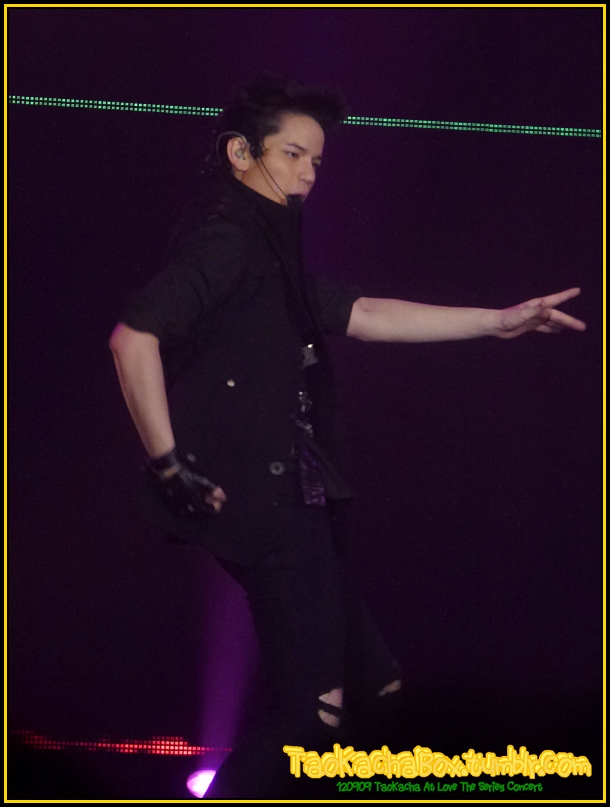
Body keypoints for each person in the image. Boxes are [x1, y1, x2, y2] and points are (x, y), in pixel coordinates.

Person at [109, 76, 586, 798]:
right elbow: (133, 337)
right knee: (319, 714)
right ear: (240, 152)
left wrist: (498, 321)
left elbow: (366, 313)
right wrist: (167, 461)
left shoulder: (267, 249)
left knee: (379, 690)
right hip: (262, 502)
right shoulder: (227, 237)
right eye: (293, 154)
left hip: (294, 497)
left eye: (317, 161)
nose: (309, 173)